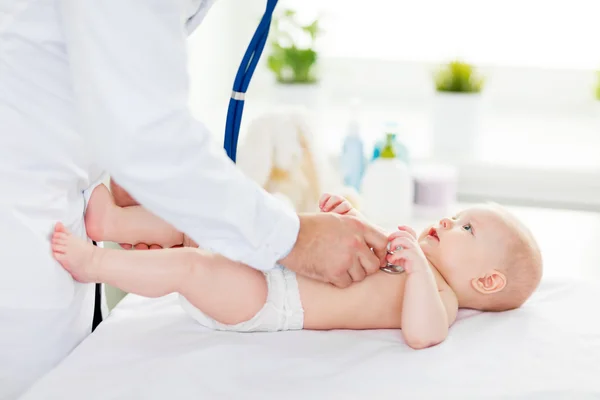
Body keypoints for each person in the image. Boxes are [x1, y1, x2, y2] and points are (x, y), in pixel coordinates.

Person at [0, 2, 387, 397]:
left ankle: (110, 229)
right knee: (189, 263)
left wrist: (132, 171)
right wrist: (298, 238)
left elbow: (119, 79)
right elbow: (145, 129)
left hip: (61, 189)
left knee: (187, 259)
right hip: (21, 205)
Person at [53, 186, 543, 349]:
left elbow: (422, 334)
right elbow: (350, 256)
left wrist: (416, 271)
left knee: (194, 266)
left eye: (466, 229)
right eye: (457, 216)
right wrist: (347, 217)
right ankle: (113, 219)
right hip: (275, 259)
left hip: (271, 300)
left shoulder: (443, 296)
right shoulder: (407, 248)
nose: (447, 221)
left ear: (487, 281)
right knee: (204, 223)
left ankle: (96, 262)